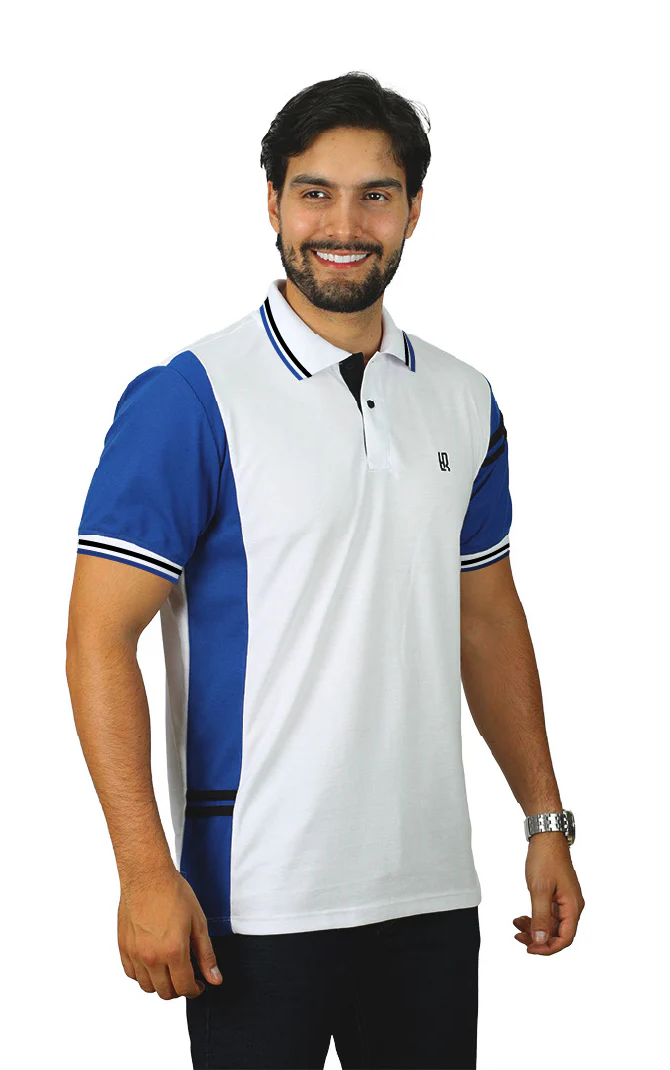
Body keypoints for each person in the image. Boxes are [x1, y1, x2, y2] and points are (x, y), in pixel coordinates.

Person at [66, 71, 585, 1070]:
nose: (343, 225)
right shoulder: (191, 397)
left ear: (414, 209)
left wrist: (545, 818)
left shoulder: (466, 398)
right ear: (273, 204)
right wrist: (142, 869)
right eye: (315, 193)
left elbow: (486, 617)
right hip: (257, 899)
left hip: (430, 891)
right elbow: (98, 636)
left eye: (375, 195)